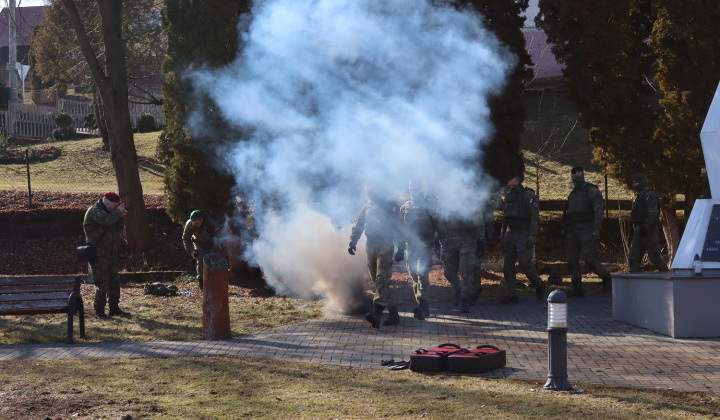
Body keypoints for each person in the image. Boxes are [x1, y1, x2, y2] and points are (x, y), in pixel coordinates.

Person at [349, 184, 405, 328]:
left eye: (371, 188)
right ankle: (394, 314)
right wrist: (353, 242)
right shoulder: (367, 206)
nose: (367, 190)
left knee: (381, 279)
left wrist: (401, 248)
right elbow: (359, 224)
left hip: (385, 244)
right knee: (378, 281)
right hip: (370, 245)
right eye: (366, 188)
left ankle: (377, 313)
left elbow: (399, 227)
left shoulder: (389, 205)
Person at [563, 167, 612, 297]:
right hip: (572, 229)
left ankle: (606, 277)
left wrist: (596, 229)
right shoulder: (573, 193)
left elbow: (599, 211)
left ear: (583, 175)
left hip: (587, 228)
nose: (575, 178)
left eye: (577, 175)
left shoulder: (592, 191)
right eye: (573, 176)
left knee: (588, 258)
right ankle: (577, 287)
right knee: (571, 259)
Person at [83, 191, 129, 319]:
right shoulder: (95, 211)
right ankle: (99, 311)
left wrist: (121, 216)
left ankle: (114, 308)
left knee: (114, 281)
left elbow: (116, 228)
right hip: (97, 254)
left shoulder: (109, 212)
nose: (115, 208)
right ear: (107, 203)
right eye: (114, 206)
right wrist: (117, 212)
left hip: (108, 253)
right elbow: (107, 221)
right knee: (102, 283)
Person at [500, 174, 545, 304]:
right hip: (510, 233)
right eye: (509, 182)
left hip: (523, 233)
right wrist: (503, 235)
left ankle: (539, 285)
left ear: (518, 181)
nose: (511, 184)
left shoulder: (527, 195)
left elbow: (535, 216)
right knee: (506, 265)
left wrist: (533, 234)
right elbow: (505, 218)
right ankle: (511, 294)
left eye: (513, 181)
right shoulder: (508, 196)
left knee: (525, 262)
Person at [437, 196, 486, 313]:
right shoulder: (444, 205)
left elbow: (479, 223)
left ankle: (465, 300)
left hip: (467, 241)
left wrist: (480, 242)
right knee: (448, 272)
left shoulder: (470, 205)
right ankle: (458, 288)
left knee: (466, 272)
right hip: (450, 242)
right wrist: (440, 242)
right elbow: (439, 225)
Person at [399, 180, 439, 320]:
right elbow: (400, 228)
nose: (413, 188)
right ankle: (423, 304)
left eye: (416, 186)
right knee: (413, 273)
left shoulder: (429, 205)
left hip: (425, 244)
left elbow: (438, 224)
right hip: (411, 245)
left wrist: (441, 244)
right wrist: (399, 247)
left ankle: (422, 302)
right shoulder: (405, 207)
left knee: (421, 271)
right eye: (411, 186)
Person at [629, 173, 669, 272]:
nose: (634, 185)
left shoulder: (649, 195)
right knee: (633, 258)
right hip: (639, 229)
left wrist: (645, 227)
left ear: (642, 182)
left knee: (655, 258)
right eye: (633, 183)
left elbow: (653, 213)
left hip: (649, 230)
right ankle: (635, 281)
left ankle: (667, 278)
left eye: (636, 183)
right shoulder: (641, 195)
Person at [182, 210, 220, 291]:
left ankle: (215, 283)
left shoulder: (211, 223)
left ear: (201, 220)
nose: (193, 224)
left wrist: (214, 250)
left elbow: (219, 237)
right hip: (199, 243)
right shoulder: (189, 224)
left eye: (195, 222)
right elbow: (186, 238)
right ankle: (202, 284)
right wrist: (190, 251)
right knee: (201, 259)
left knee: (213, 260)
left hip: (213, 243)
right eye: (192, 221)